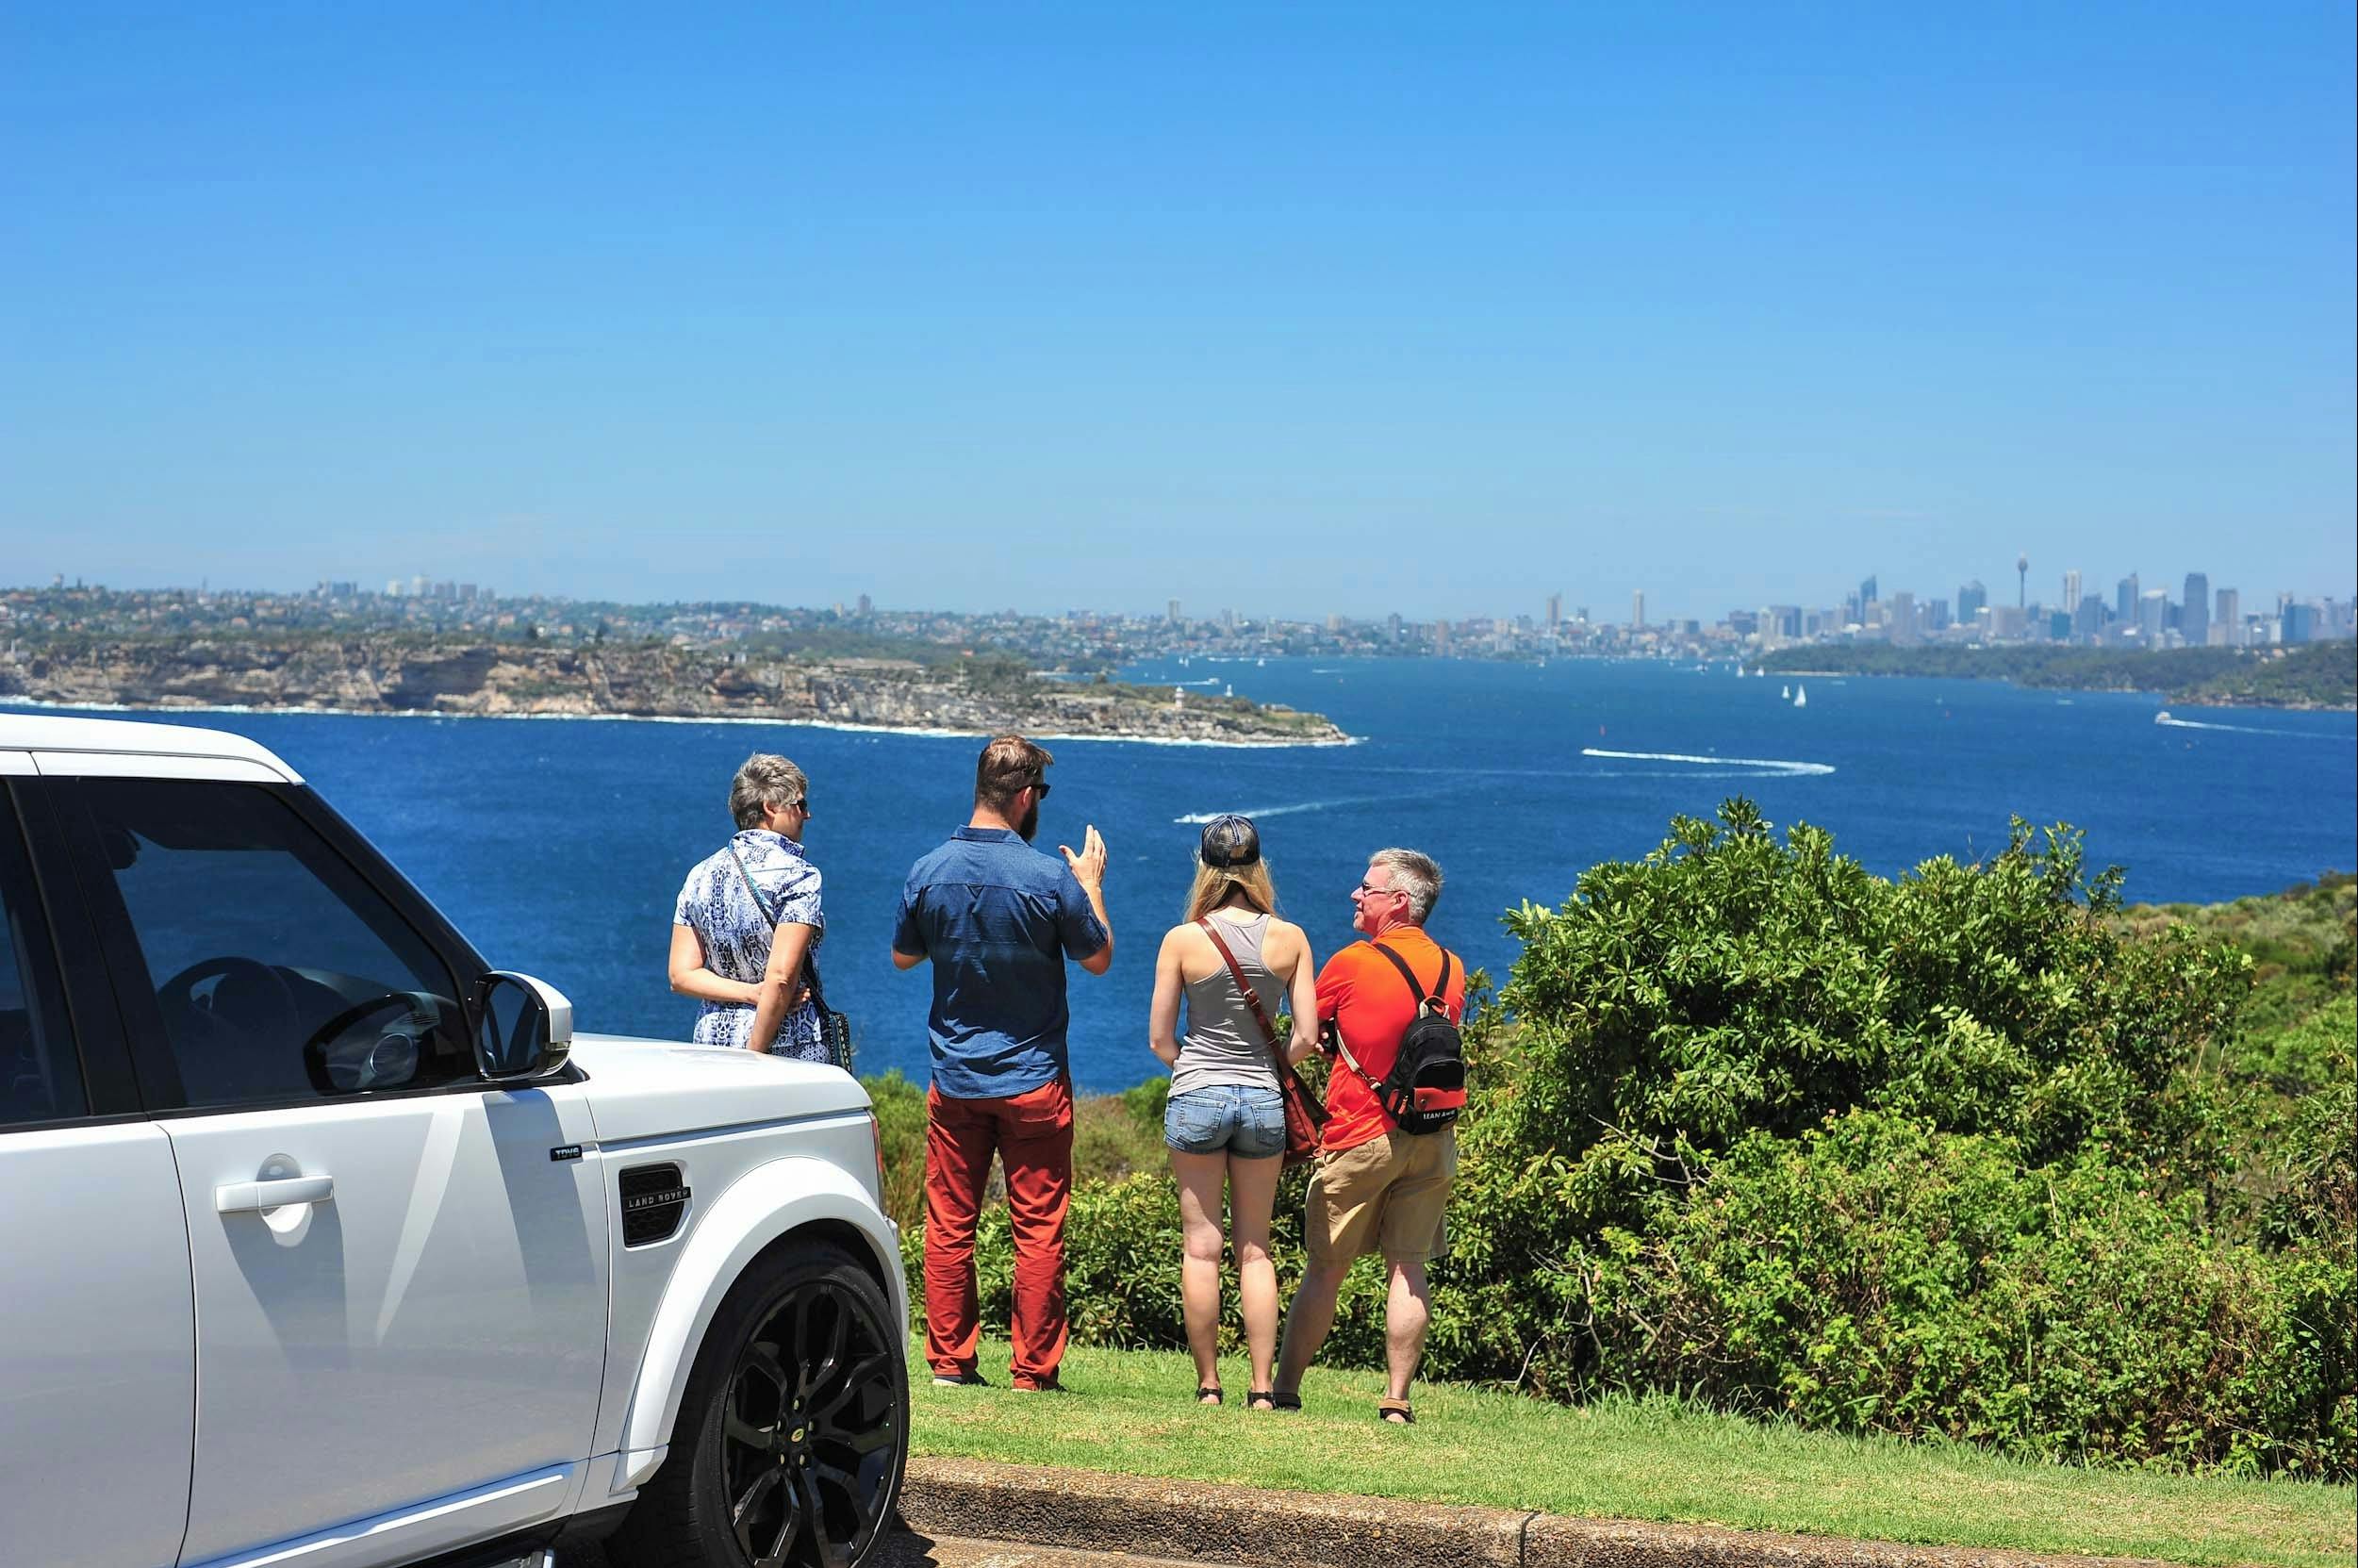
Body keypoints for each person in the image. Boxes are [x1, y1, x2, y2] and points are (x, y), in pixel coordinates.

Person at [892, 734, 1112, 1391]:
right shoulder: (1049, 877)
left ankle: (950, 1362)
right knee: (1038, 1229)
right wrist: (1090, 885)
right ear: (1024, 797)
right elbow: (1097, 957)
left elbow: (904, 956)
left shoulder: (929, 869)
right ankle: (1032, 1370)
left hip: (956, 1075)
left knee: (949, 1223)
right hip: (1034, 1079)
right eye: (1039, 794)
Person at [1271, 848, 1464, 1425]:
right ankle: (1397, 1399)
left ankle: (1283, 1390)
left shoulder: (1353, 962)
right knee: (1409, 1265)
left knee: (1326, 1267)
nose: (1357, 895)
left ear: (1399, 902)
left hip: (1362, 1134)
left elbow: (1310, 1031)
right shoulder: (1452, 968)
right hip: (1432, 1136)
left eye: (1368, 888)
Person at [1146, 815, 1320, 1410]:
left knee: (1201, 1246)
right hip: (1263, 1099)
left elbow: (1160, 1040)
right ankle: (1264, 1388)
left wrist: (1194, 1068)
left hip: (1196, 1091)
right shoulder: (1290, 938)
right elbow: (1304, 1038)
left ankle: (1209, 1385)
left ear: (1205, 868)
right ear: (1257, 868)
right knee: (1256, 1249)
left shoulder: (1183, 939)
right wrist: (1265, 1070)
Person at [668, 752, 828, 1060]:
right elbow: (781, 979)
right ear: (770, 807)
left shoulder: (700, 875)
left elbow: (681, 976)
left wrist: (750, 993)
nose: (807, 815)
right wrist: (755, 1054)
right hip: (785, 1044)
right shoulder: (799, 875)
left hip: (711, 1044)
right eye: (800, 805)